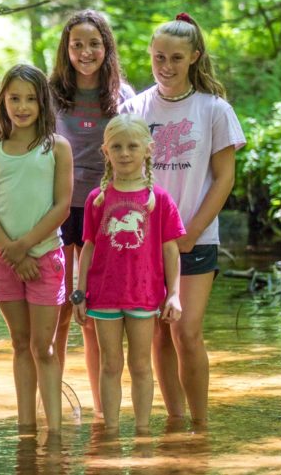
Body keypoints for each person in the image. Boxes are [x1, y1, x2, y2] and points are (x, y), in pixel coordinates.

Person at [120, 12, 246, 427]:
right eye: (159, 57)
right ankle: (175, 424)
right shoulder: (134, 107)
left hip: (195, 237)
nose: (166, 67)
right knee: (159, 332)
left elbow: (225, 178)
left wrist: (190, 233)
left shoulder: (214, 110)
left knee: (186, 331)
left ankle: (201, 425)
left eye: (176, 58)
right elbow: (122, 174)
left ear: (194, 56)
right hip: (144, 239)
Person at [72, 114, 184, 433]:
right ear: (106, 152)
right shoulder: (98, 198)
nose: (124, 153)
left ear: (147, 150)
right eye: (117, 147)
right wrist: (79, 294)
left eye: (132, 146)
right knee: (109, 364)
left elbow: (170, 250)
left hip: (143, 296)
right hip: (103, 296)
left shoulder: (158, 199)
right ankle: (109, 431)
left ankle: (143, 433)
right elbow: (88, 249)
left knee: (140, 366)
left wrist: (173, 293)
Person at [49, 9, 135, 416]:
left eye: (94, 44)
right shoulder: (49, 94)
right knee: (61, 311)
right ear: (66, 49)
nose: (85, 52)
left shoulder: (123, 97)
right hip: (59, 208)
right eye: (77, 44)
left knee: (97, 317)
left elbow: (136, 154)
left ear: (107, 47)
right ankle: (51, 410)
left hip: (108, 211)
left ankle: (104, 415)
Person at [0, 64, 73, 434]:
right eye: (14, 98)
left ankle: (53, 429)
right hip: (5, 260)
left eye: (30, 99)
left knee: (43, 346)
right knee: (20, 344)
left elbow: (61, 206)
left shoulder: (56, 148)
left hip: (45, 257)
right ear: (2, 101)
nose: (22, 106)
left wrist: (26, 248)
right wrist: (11, 252)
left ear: (42, 103)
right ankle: (25, 427)